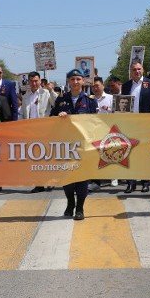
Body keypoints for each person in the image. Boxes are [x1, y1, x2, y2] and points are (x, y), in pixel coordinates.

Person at [50, 69, 98, 220]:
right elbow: (51, 119)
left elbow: (96, 123)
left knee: (82, 177)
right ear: (69, 82)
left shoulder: (90, 100)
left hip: (84, 145)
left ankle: (80, 207)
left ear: (83, 81)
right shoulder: (61, 100)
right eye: (72, 79)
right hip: (66, 144)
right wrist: (59, 117)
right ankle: (70, 203)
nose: (75, 82)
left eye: (78, 79)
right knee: (67, 177)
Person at [120, 62, 150, 193]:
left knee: (144, 154)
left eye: (139, 69)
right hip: (130, 124)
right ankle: (131, 183)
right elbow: (122, 103)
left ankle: (145, 182)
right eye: (134, 69)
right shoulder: (126, 86)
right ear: (130, 72)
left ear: (143, 70)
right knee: (129, 154)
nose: (136, 71)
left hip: (145, 124)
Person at [21, 72, 54, 193]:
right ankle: (39, 184)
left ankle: (50, 182)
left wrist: (51, 91)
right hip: (31, 131)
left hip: (45, 130)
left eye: (36, 81)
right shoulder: (25, 96)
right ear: (29, 82)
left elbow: (55, 103)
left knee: (48, 157)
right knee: (36, 158)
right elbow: (23, 114)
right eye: (31, 81)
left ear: (40, 81)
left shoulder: (46, 93)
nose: (34, 83)